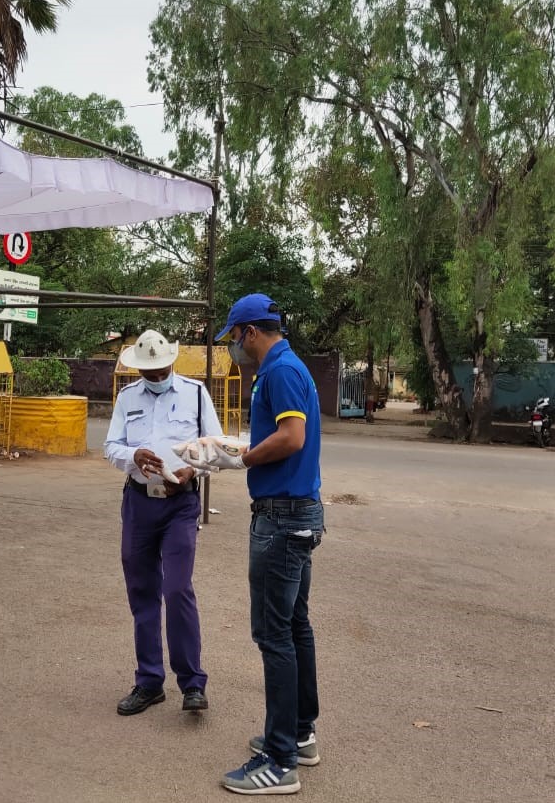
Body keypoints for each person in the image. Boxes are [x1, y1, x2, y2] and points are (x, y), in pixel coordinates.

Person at [216, 294, 324, 796]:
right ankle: (300, 734)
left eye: (234, 338)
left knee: (273, 634)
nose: (234, 347)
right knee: (295, 626)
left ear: (250, 332)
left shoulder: (278, 370)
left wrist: (244, 460)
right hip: (297, 512)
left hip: (281, 519)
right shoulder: (289, 366)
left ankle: (280, 760)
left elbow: (293, 437)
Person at [104, 329, 222, 716]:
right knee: (142, 591)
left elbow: (215, 448)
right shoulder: (127, 397)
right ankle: (149, 682)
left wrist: (194, 470)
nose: (155, 376)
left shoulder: (195, 394)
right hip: (139, 504)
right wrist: (132, 456)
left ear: (172, 362)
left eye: (160, 369)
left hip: (179, 505)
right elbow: (111, 446)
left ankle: (192, 684)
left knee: (177, 589)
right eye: (148, 371)